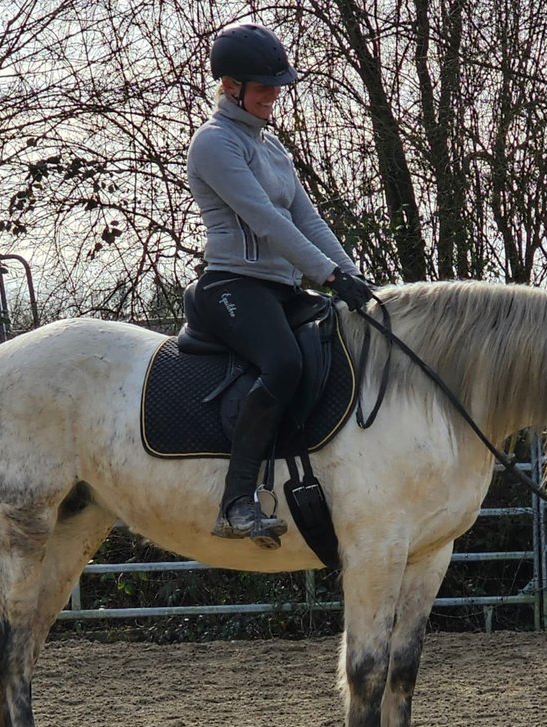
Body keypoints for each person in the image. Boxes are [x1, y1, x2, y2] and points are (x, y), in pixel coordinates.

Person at [186, 22, 376, 548]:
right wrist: (330, 276)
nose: (275, 95)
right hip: (232, 286)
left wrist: (355, 279)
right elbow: (268, 222)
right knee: (285, 363)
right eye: (264, 86)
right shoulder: (214, 144)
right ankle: (236, 501)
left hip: (281, 288)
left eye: (277, 85)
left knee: (341, 338)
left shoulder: (272, 150)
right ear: (230, 87)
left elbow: (309, 222)